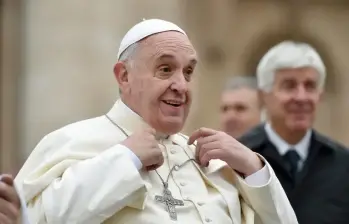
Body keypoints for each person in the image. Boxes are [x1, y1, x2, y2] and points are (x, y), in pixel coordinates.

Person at [14, 19, 297, 224]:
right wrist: (124, 160)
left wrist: (253, 168)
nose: (181, 85)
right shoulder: (72, 142)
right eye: (165, 69)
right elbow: (35, 218)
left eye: (187, 72)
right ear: (124, 76)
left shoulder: (212, 163)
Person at [238, 41, 349, 223]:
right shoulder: (238, 160)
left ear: (319, 96)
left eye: (310, 86)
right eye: (289, 86)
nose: (301, 97)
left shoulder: (344, 165)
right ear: (263, 96)